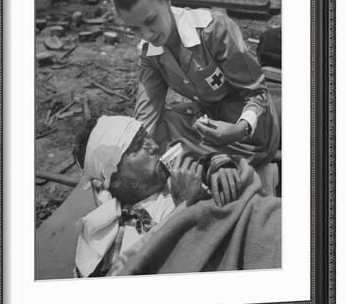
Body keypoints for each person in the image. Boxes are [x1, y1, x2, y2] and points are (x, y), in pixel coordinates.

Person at [100, 0, 280, 170]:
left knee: (187, 158)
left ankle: (221, 162)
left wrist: (239, 129)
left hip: (250, 129)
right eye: (134, 29)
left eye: (151, 20)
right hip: (209, 124)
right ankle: (210, 161)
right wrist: (128, 153)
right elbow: (147, 114)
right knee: (161, 126)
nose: (147, 34)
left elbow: (256, 92)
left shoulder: (214, 30)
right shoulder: (150, 54)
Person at [73, 115, 281, 278]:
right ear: (115, 179)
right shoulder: (104, 244)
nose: (154, 146)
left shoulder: (184, 175)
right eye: (138, 148)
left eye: (147, 137)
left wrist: (221, 165)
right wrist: (186, 209)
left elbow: (246, 196)